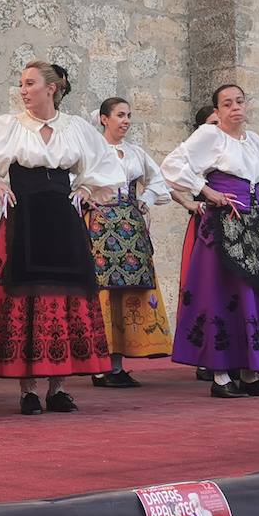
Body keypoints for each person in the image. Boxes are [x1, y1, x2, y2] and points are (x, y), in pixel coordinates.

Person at [0, 61, 124, 414]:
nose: (23, 90)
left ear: (52, 88)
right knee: (23, 300)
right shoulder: (10, 127)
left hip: (62, 217)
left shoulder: (75, 128)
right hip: (22, 218)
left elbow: (107, 164)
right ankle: (28, 389)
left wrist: (88, 187)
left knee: (64, 298)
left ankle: (58, 388)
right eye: (21, 84)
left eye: (30, 83)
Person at [161, 84, 259, 398]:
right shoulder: (210, 135)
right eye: (227, 104)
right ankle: (220, 376)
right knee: (220, 294)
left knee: (253, 293)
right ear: (217, 111)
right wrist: (206, 191)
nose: (235, 108)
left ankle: (250, 372)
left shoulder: (254, 141)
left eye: (240, 102)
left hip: (252, 225)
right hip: (221, 223)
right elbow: (172, 166)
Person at [87, 98, 172, 388]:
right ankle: (99, 367)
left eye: (128, 116)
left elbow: (159, 181)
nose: (125, 120)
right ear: (103, 119)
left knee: (127, 293)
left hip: (131, 226)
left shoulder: (135, 153)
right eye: (120, 115)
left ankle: (116, 363)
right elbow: (75, 184)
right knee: (103, 293)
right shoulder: (91, 151)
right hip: (100, 225)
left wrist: (145, 201)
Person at [171, 105, 218, 382]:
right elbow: (168, 177)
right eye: (212, 122)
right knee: (201, 287)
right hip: (205, 224)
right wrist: (192, 202)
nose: (217, 126)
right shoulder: (197, 155)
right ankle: (203, 354)